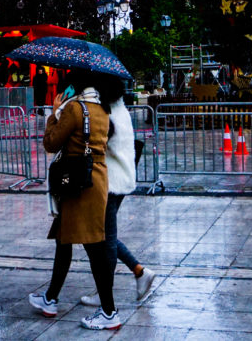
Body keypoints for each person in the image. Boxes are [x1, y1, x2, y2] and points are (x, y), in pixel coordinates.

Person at [28, 70, 120, 330]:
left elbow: (51, 143)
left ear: (76, 86)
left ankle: (110, 312)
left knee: (93, 248)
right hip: (96, 181)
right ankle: (50, 298)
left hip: (78, 185)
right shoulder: (103, 109)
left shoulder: (75, 109)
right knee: (64, 239)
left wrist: (54, 114)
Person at [79, 84, 156, 308]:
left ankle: (106, 296)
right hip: (120, 178)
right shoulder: (119, 108)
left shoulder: (106, 112)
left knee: (105, 239)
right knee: (104, 236)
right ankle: (139, 272)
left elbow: (99, 141)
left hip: (109, 181)